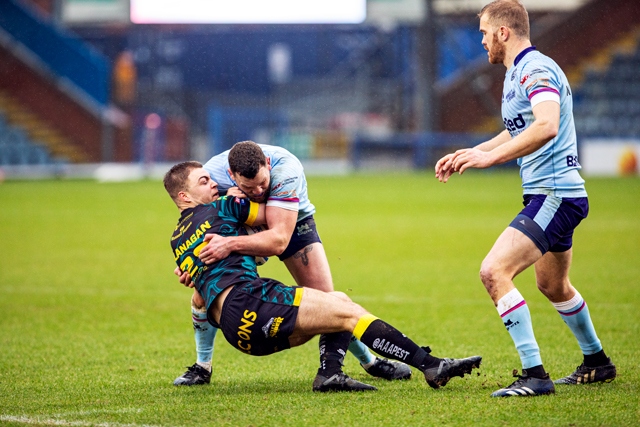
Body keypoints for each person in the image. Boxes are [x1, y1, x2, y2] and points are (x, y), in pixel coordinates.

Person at [163, 161, 482, 392]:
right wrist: (239, 197)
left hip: (241, 336)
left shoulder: (177, 242)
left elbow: (201, 293)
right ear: (184, 197)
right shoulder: (223, 207)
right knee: (346, 310)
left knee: (335, 306)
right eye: (204, 181)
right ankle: (430, 365)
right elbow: (275, 220)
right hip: (254, 304)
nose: (213, 183)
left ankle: (330, 373)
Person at [434, 0, 615, 397]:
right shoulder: (519, 72)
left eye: (484, 32)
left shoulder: (535, 68)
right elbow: (520, 129)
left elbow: (547, 125)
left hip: (554, 194)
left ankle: (535, 375)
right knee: (553, 284)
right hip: (555, 194)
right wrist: (472, 151)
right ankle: (597, 362)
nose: (481, 40)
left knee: (493, 271)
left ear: (503, 32)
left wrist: (490, 157)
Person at [173, 141, 411, 386]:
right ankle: (202, 367)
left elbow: (279, 239)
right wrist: (190, 262)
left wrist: (231, 243)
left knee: (328, 301)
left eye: (262, 184)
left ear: (267, 165)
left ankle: (369, 362)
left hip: (291, 225)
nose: (256, 191)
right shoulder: (214, 173)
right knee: (202, 293)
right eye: (247, 187)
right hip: (243, 221)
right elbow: (194, 216)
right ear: (231, 175)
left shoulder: (286, 168)